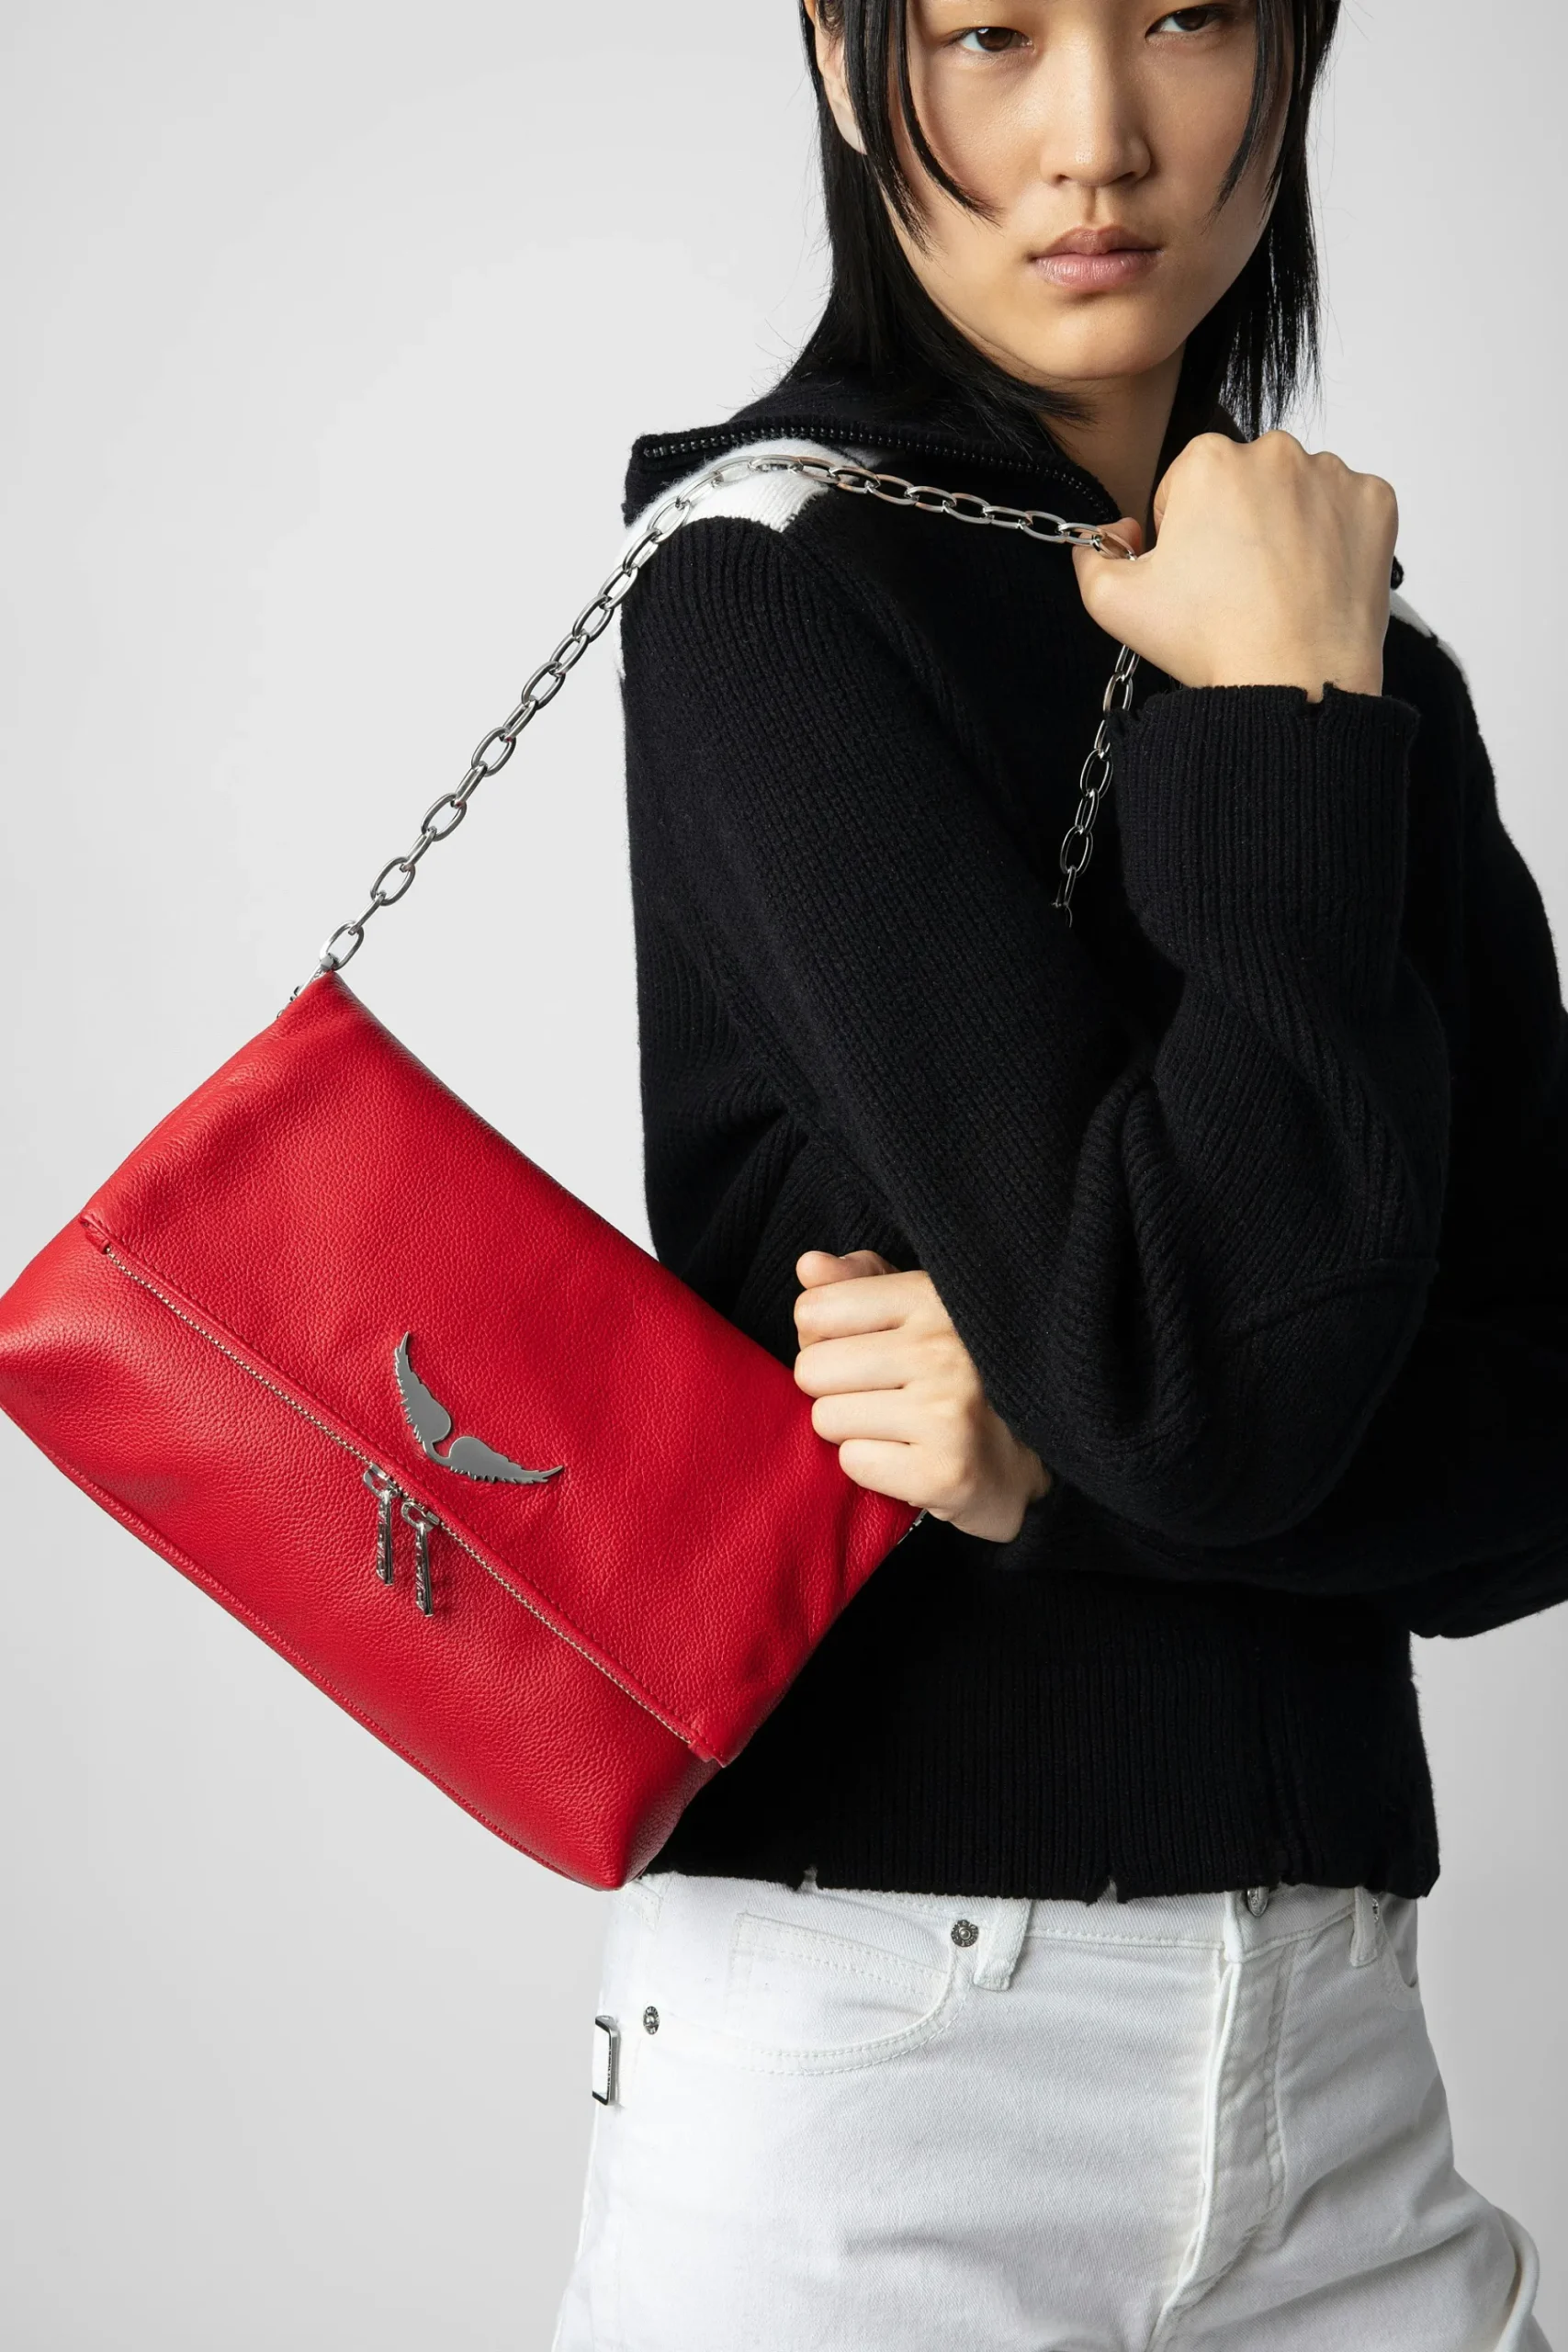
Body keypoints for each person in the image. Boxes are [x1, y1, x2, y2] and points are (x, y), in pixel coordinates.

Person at [552, 3, 1568, 2345]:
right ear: (844, 61)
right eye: (992, 33)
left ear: (1293, 48)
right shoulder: (768, 580)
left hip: (1334, 2059)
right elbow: (1181, 1377)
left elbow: (1538, 1458)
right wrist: (1279, 723)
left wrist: (1050, 1465)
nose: (1095, 138)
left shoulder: (1362, 669)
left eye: (1183, 17)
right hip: (881, 2060)